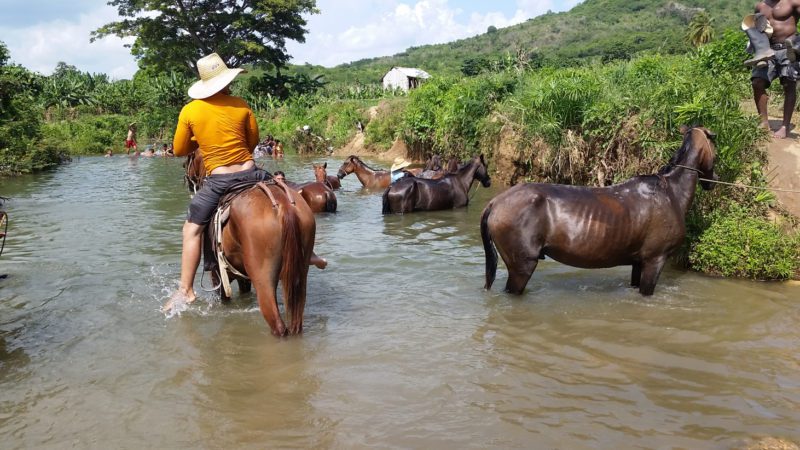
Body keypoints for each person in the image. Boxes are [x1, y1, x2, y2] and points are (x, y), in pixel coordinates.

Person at [165, 53, 324, 310]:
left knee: (191, 229)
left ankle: (186, 289)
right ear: (226, 80)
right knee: (287, 197)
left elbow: (180, 149)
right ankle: (308, 253)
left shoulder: (190, 110)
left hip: (219, 180)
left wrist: (201, 138)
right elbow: (251, 144)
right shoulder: (241, 105)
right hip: (254, 174)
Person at [750, 0, 800, 138]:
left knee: (788, 84)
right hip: (768, 50)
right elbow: (757, 28)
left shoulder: (792, 2)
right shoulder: (760, 6)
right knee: (757, 82)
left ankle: (784, 126)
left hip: (788, 48)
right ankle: (764, 122)